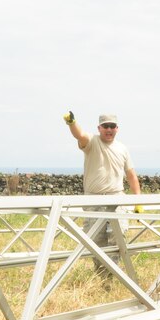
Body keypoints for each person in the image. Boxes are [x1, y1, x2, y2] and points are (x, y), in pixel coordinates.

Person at [63, 111, 142, 274]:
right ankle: (101, 274)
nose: (109, 129)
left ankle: (113, 274)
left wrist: (138, 201)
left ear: (117, 128)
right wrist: (72, 123)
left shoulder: (122, 148)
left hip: (117, 198)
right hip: (93, 200)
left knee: (117, 238)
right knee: (96, 241)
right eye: (105, 126)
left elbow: (131, 175)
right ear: (99, 128)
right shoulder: (92, 142)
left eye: (112, 126)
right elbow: (80, 135)